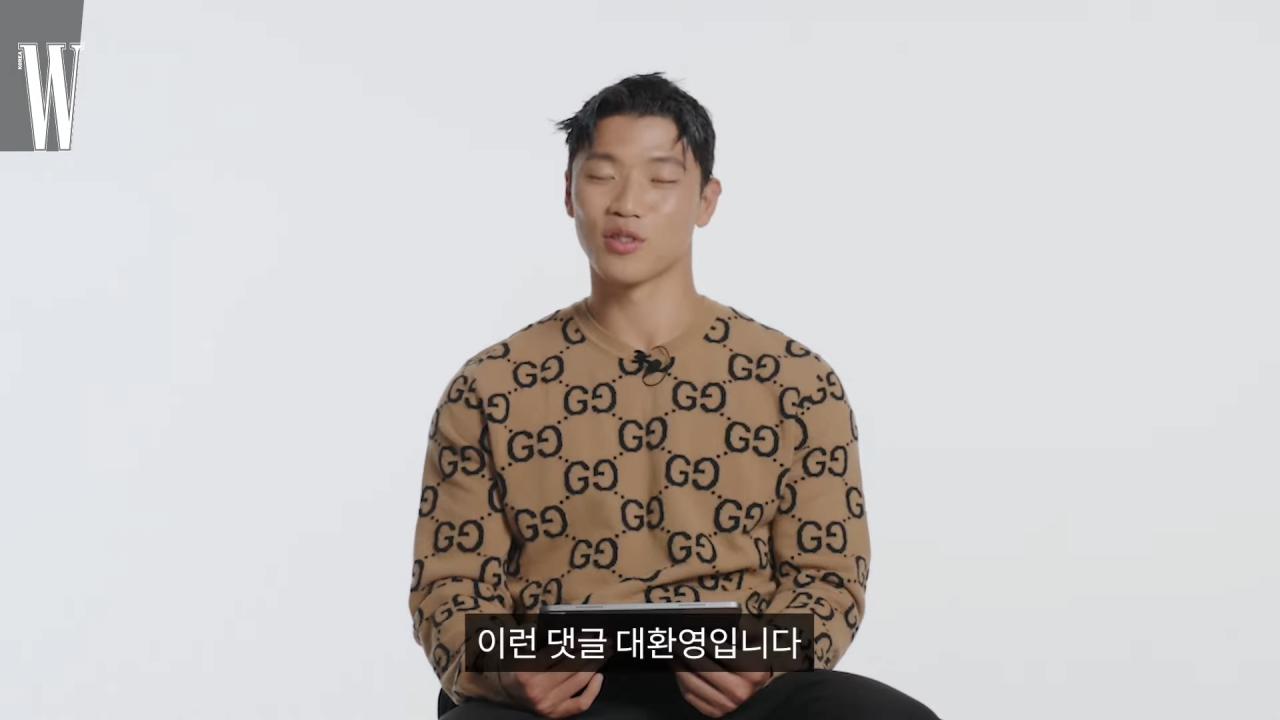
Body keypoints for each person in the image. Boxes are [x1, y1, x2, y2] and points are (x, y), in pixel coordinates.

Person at [409, 72, 940, 719]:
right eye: (601, 176)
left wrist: (769, 657)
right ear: (569, 193)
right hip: (556, 696)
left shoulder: (795, 382)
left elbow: (829, 577)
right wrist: (506, 667)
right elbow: (447, 587)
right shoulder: (491, 386)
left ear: (706, 200)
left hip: (738, 692)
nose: (627, 204)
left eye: (660, 179)